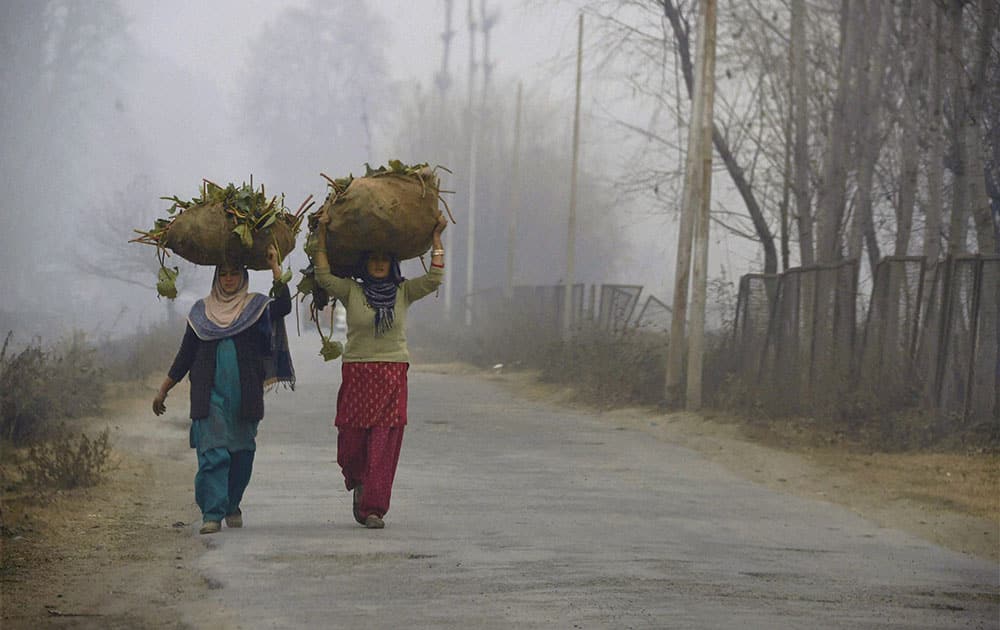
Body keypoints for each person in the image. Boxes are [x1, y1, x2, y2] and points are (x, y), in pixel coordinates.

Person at [312, 209, 447, 529]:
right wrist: (321, 234)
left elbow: (434, 279)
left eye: (384, 259)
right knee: (352, 441)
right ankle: (359, 480)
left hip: (392, 373)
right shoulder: (352, 291)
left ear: (392, 264)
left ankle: (374, 507)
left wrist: (437, 239)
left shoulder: (404, 292)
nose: (378, 263)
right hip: (358, 372)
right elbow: (323, 276)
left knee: (383, 442)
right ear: (365, 264)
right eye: (372, 259)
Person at [153, 244, 294, 535]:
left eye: (234, 274)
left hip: (244, 396)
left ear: (243, 276)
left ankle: (231, 503)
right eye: (224, 274)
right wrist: (164, 389)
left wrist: (275, 267)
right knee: (212, 454)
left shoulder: (255, 307)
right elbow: (185, 354)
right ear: (216, 278)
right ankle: (212, 513)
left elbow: (284, 307)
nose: (228, 279)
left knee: (242, 455)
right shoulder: (201, 312)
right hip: (209, 395)